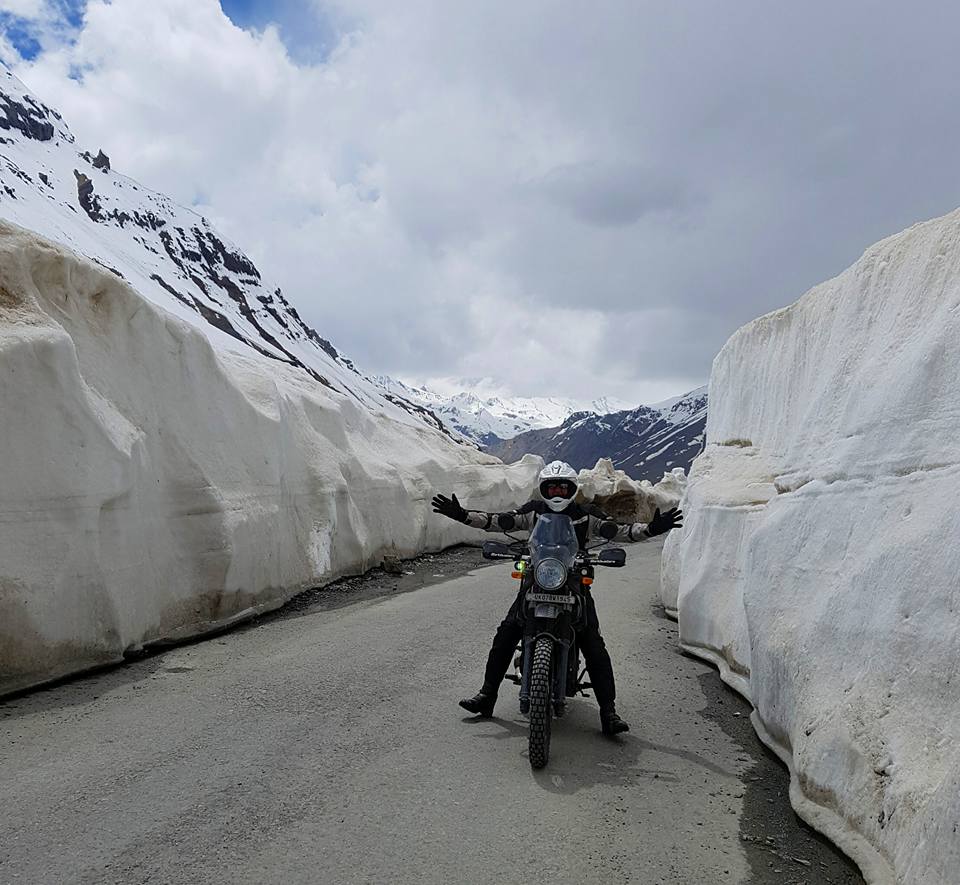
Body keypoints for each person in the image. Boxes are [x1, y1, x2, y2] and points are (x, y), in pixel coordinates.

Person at [431, 460, 683, 736]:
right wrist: (462, 515)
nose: (558, 494)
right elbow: (498, 521)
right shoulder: (533, 512)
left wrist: (651, 529)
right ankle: (487, 696)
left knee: (593, 642)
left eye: (563, 488)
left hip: (573, 583)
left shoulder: (586, 514)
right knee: (506, 633)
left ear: (572, 489)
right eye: (552, 489)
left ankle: (608, 712)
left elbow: (619, 531)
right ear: (544, 489)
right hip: (536, 578)